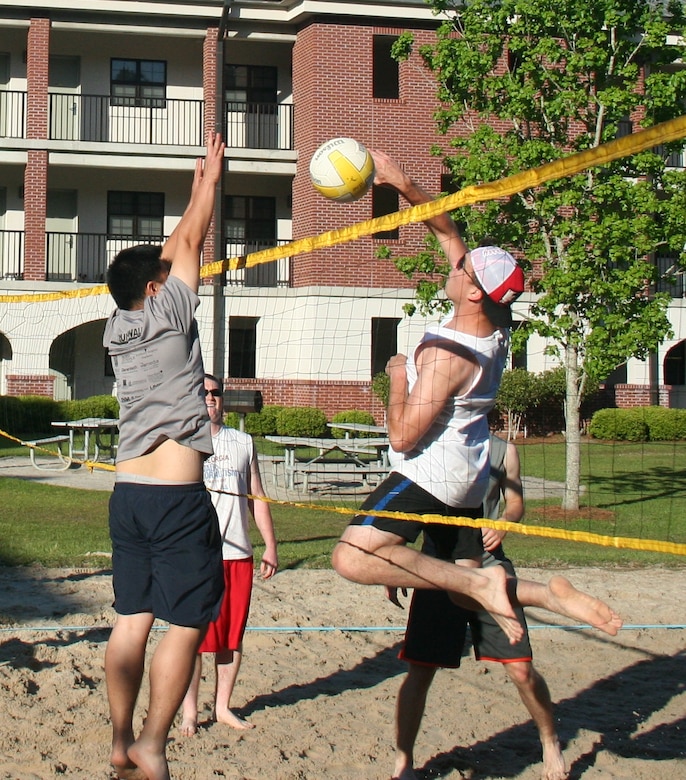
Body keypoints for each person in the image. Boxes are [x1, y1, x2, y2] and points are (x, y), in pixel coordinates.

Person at [331, 150, 622, 645]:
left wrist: (397, 375)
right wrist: (404, 182)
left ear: (472, 292)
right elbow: (446, 231)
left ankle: (484, 583)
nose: (455, 263)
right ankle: (547, 595)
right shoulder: (490, 326)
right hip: (467, 479)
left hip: (431, 475)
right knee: (462, 588)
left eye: (463, 269)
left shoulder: (448, 355)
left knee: (353, 557)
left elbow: (401, 439)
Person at [103, 131, 227, 780]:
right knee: (183, 626)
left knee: (131, 623)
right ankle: (153, 743)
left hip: (129, 498)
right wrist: (209, 183)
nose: (172, 270)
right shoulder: (171, 314)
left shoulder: (120, 326)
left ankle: (121, 739)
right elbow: (191, 243)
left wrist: (193, 190)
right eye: (163, 272)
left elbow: (178, 247)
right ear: (155, 287)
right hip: (177, 504)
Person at [391, 434, 567, 780]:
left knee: (520, 670)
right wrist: (394, 563)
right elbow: (406, 509)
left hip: (488, 569)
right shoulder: (427, 447)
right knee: (420, 670)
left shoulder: (503, 450)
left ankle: (550, 741)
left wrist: (503, 523)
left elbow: (515, 503)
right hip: (438, 568)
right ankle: (403, 761)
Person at [179, 373, 279, 735]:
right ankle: (190, 711)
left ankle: (222, 707)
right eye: (203, 392)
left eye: (215, 392)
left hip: (237, 552)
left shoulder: (242, 442)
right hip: (195, 555)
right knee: (192, 637)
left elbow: (258, 498)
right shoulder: (184, 441)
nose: (210, 398)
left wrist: (271, 545)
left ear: (224, 398)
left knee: (231, 637)